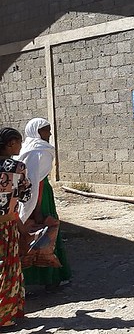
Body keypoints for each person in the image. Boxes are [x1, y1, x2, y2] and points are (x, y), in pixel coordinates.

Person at [18, 118, 72, 289]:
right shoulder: (36, 152)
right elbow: (34, 182)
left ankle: (48, 278)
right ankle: (46, 279)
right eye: (46, 130)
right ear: (36, 131)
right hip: (39, 198)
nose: (49, 133)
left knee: (41, 236)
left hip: (42, 194)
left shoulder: (36, 149)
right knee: (42, 235)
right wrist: (37, 209)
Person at [0, 127, 32, 328]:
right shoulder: (16, 167)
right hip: (5, 225)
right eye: (19, 142)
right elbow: (25, 195)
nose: (21, 146)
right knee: (7, 266)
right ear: (11, 143)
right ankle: (4, 315)